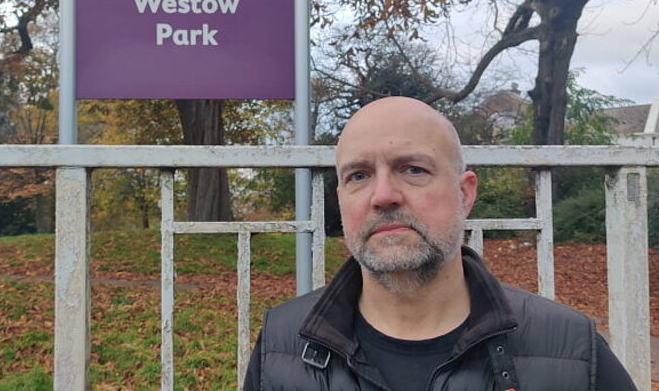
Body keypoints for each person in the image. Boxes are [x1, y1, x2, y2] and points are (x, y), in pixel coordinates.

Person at [243, 97, 637, 391]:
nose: (382, 195)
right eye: (359, 175)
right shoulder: (282, 346)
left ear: (464, 193)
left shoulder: (570, 351)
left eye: (413, 169)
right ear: (342, 197)